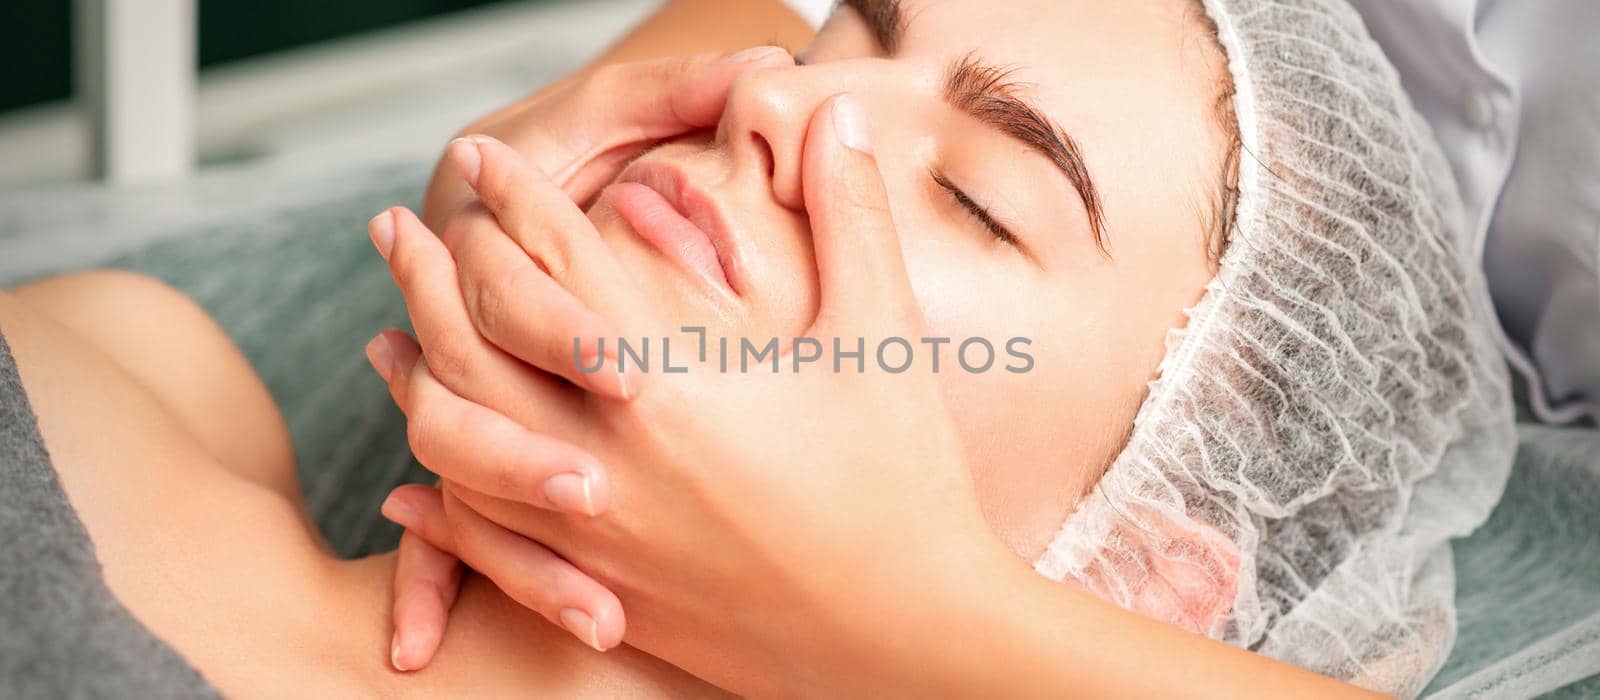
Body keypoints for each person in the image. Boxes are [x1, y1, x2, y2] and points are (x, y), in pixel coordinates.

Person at [378, 0, 1512, 697]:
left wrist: (902, 616)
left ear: (1147, 581)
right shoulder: (190, 382)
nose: (774, 99)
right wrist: (502, 179)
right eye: (839, 39)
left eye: (975, 198)